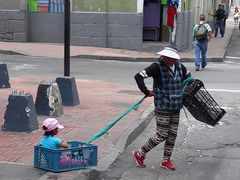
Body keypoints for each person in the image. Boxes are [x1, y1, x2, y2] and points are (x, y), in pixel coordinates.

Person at [132, 45, 192, 170]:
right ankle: (140, 153)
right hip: (162, 106)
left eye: (173, 58)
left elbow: (189, 79)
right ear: (164, 56)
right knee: (162, 134)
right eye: (168, 57)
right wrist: (146, 91)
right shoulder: (156, 67)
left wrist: (188, 87)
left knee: (172, 134)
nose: (171, 60)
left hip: (176, 106)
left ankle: (166, 160)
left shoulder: (180, 66)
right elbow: (138, 76)